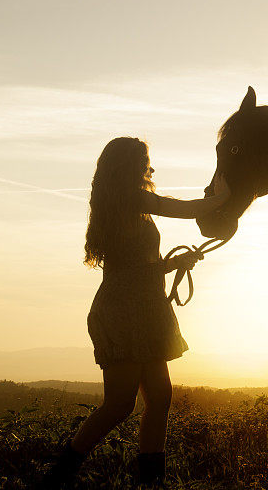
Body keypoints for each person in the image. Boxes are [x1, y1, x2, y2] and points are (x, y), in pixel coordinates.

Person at [44, 136, 230, 488]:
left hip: (144, 308)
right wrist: (219, 199)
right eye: (146, 162)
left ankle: (150, 481)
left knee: (159, 399)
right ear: (130, 166)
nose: (151, 168)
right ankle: (58, 476)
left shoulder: (125, 204)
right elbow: (176, 209)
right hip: (124, 311)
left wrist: (171, 264)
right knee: (119, 405)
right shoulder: (129, 198)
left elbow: (133, 265)